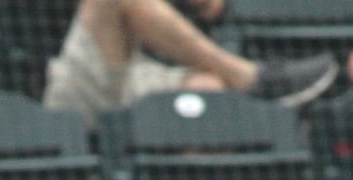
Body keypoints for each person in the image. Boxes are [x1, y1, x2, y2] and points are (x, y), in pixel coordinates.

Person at [43, 0, 340, 125]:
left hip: (149, 74)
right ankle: (250, 79)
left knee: (208, 92)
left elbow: (213, 10)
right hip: (84, 79)